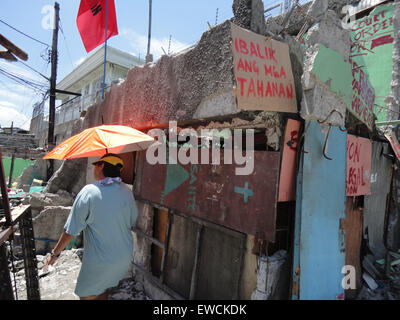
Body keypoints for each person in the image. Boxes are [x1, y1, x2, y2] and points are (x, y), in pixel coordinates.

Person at [44, 153, 138, 300]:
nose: (94, 169)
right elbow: (132, 221)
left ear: (101, 166)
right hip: (124, 258)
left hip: (100, 262)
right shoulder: (126, 191)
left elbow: (71, 230)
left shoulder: (89, 191)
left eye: (96, 166)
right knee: (103, 288)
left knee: (87, 295)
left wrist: (55, 254)